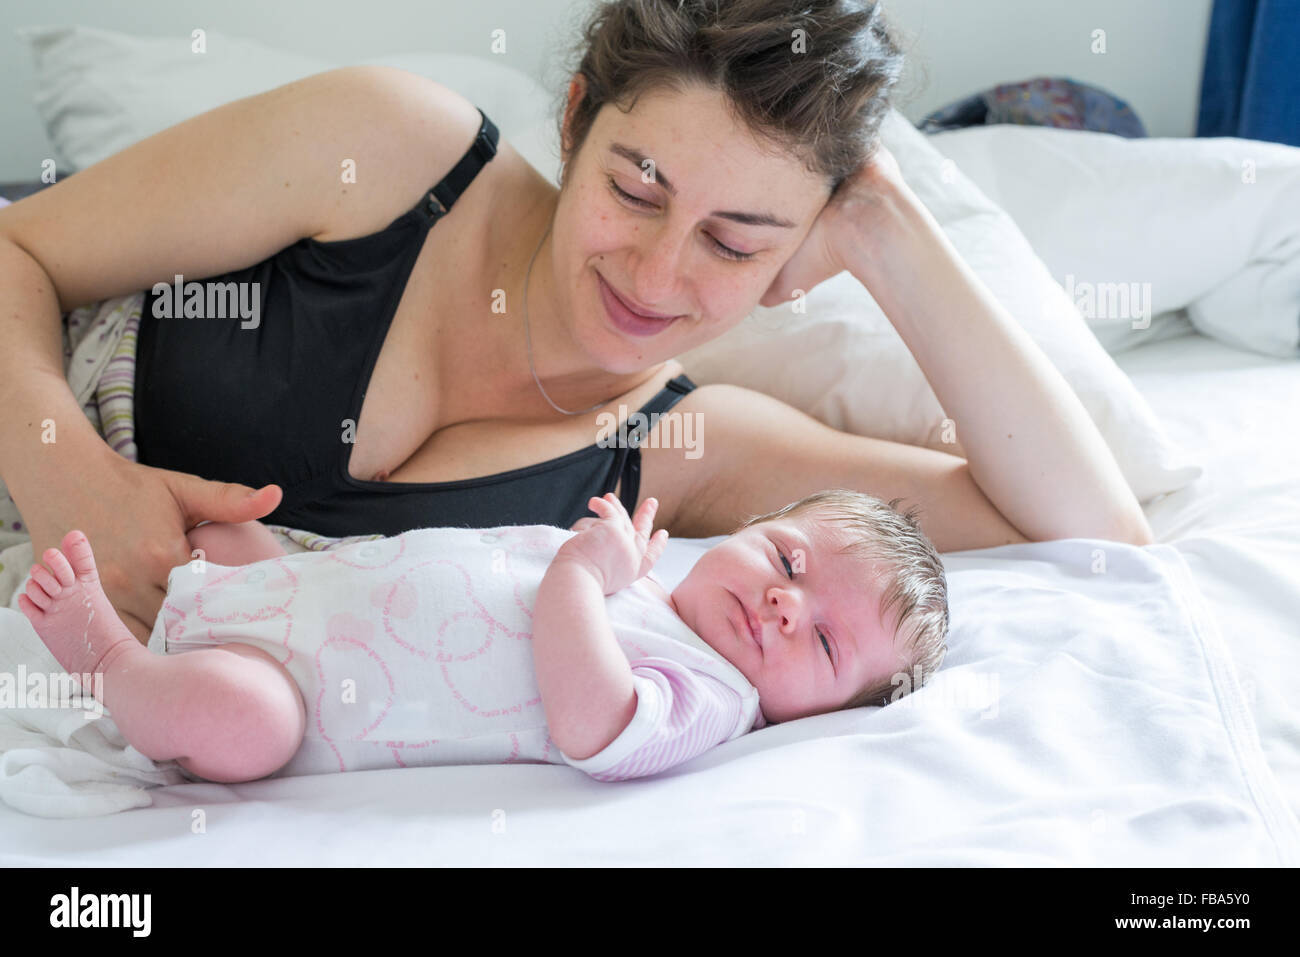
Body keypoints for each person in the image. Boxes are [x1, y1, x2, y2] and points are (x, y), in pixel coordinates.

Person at [0, 1, 1152, 648]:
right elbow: (16, 250)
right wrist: (66, 474)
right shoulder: (391, 150)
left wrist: (886, 225)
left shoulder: (691, 453)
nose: (654, 273)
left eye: (735, 241)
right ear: (573, 118)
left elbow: (1095, 536)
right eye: (637, 189)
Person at [17, 487, 948, 783]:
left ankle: (109, 659)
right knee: (228, 532)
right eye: (787, 560)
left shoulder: (716, 696)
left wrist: (584, 572)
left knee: (246, 722)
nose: (786, 605)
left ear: (824, 713)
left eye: (825, 644)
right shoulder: (649, 584)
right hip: (313, 593)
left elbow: (598, 722)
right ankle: (215, 581)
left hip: (298, 695)